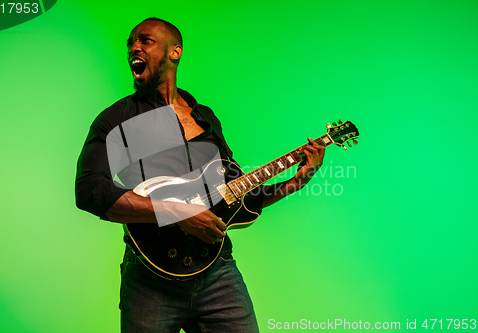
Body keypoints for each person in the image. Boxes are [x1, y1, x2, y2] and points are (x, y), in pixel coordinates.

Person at [75, 17, 325, 333]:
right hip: (152, 277)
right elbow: (89, 190)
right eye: (130, 42)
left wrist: (296, 181)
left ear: (174, 52)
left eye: (145, 40)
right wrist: (177, 213)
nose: (134, 47)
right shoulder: (117, 120)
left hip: (217, 271)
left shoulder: (205, 118)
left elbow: (236, 196)